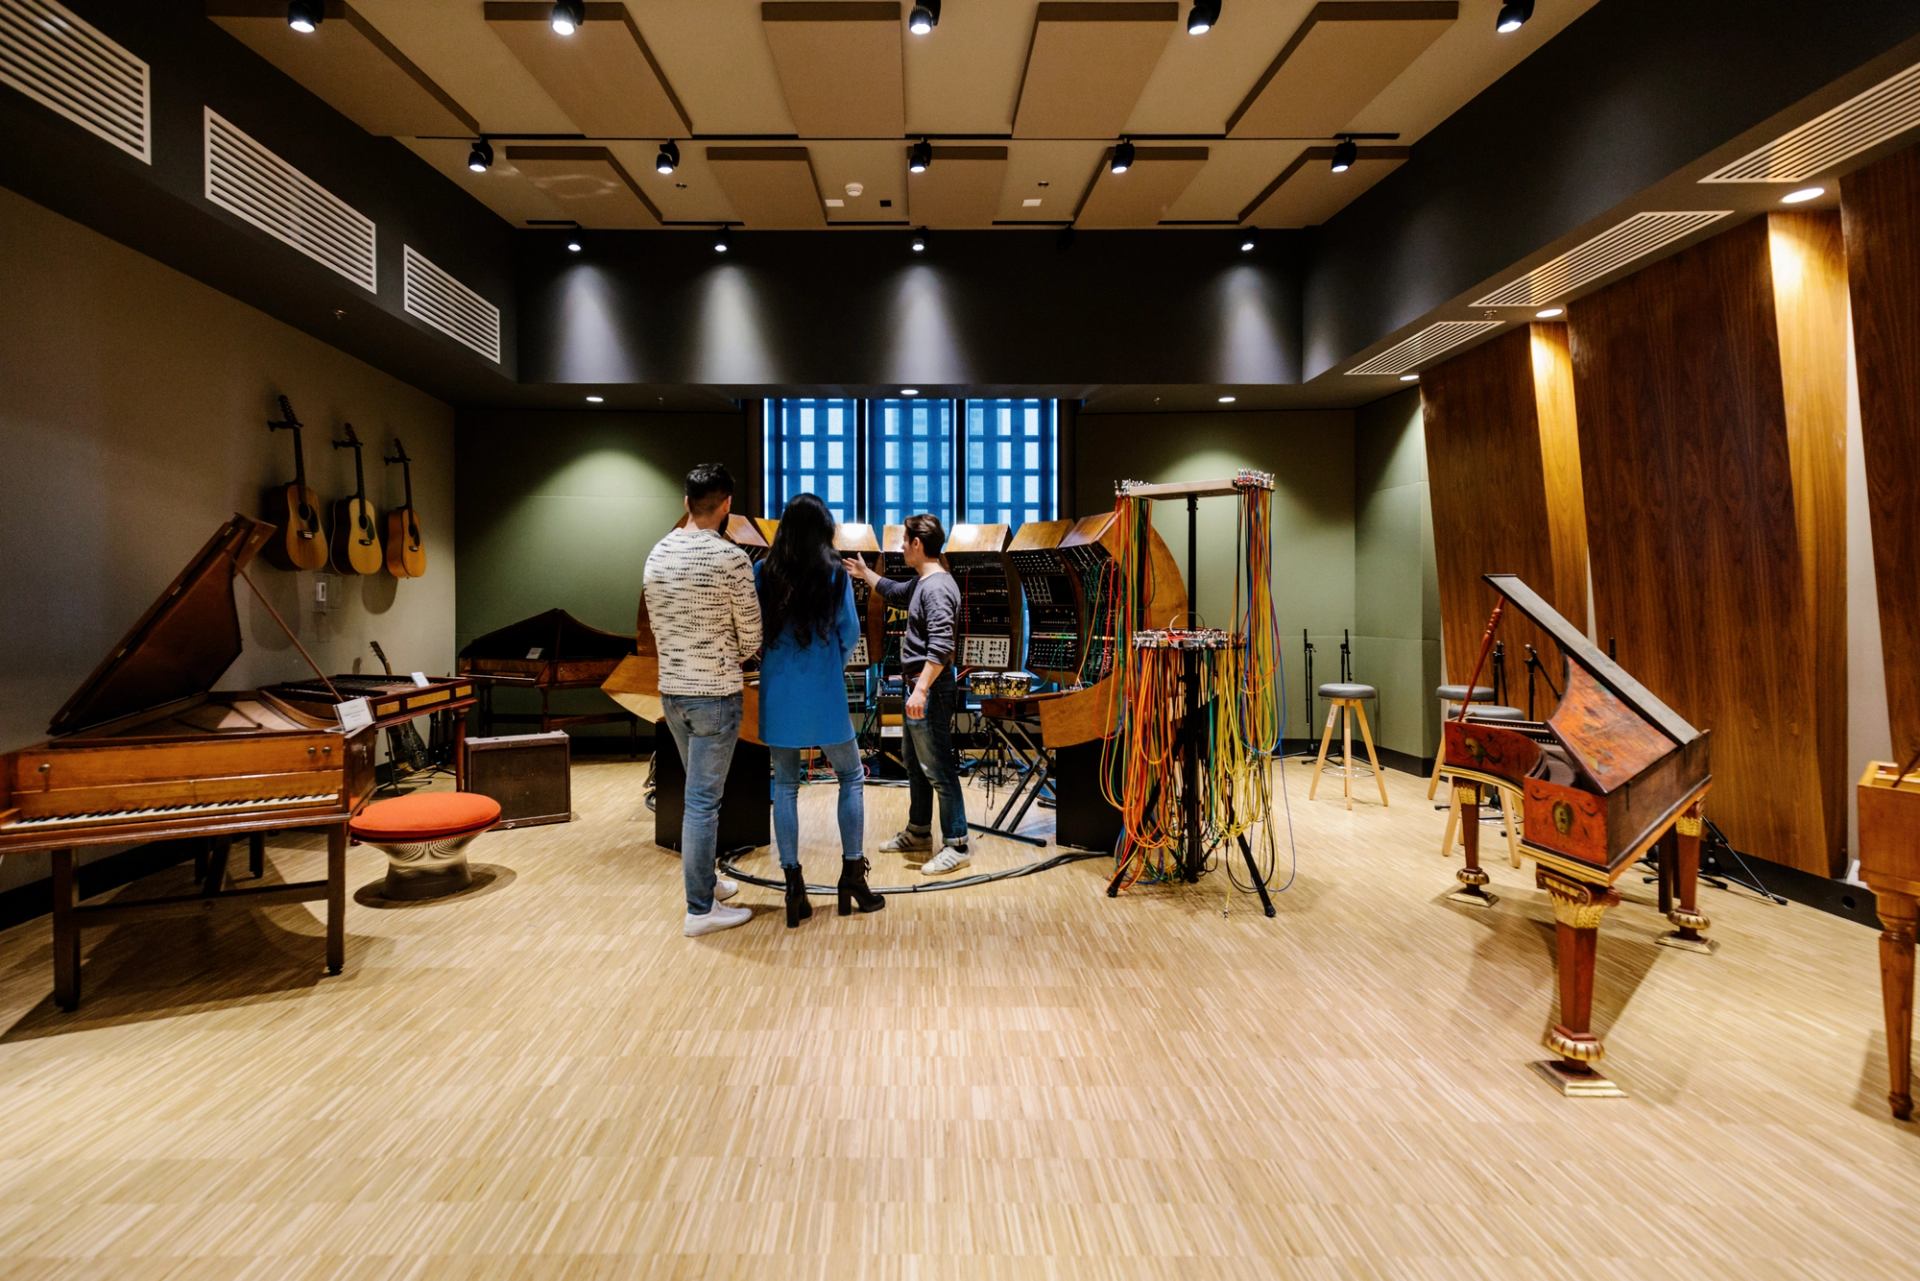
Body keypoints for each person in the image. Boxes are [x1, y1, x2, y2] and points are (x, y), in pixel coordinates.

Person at [643, 463, 762, 937]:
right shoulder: (732, 559)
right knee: (703, 804)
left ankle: (707, 886)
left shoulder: (657, 554)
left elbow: (656, 625)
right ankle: (699, 909)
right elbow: (752, 635)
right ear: (727, 504)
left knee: (698, 797)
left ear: (685, 501)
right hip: (714, 694)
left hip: (672, 691)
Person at [756, 494, 884, 926]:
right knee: (850, 774)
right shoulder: (834, 575)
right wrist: (830, 664)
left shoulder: (764, 573)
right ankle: (852, 877)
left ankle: (794, 886)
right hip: (825, 689)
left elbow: (755, 631)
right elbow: (849, 632)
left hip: (778, 691)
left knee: (786, 785)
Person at [844, 513, 970, 875]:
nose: (901, 547)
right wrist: (865, 573)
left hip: (926, 688)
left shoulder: (937, 588)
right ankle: (918, 831)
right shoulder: (921, 584)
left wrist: (921, 690)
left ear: (917, 544)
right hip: (918, 687)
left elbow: (942, 647)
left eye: (904, 541)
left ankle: (957, 843)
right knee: (914, 763)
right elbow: (895, 593)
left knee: (937, 766)